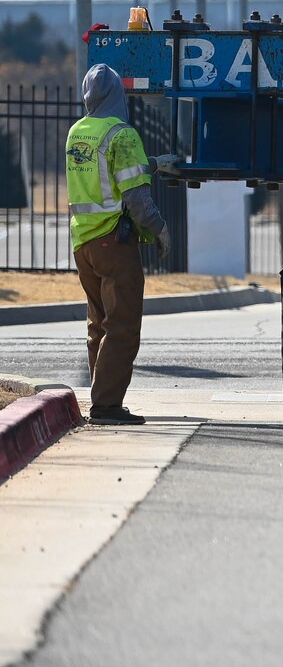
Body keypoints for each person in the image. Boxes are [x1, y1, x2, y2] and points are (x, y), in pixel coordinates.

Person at [65, 64, 172, 425]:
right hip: (113, 242)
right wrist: (159, 228)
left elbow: (109, 174)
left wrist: (152, 164)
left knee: (99, 324)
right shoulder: (122, 134)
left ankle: (102, 398)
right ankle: (106, 406)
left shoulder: (77, 132)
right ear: (117, 95)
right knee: (122, 325)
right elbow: (136, 198)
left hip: (84, 242)